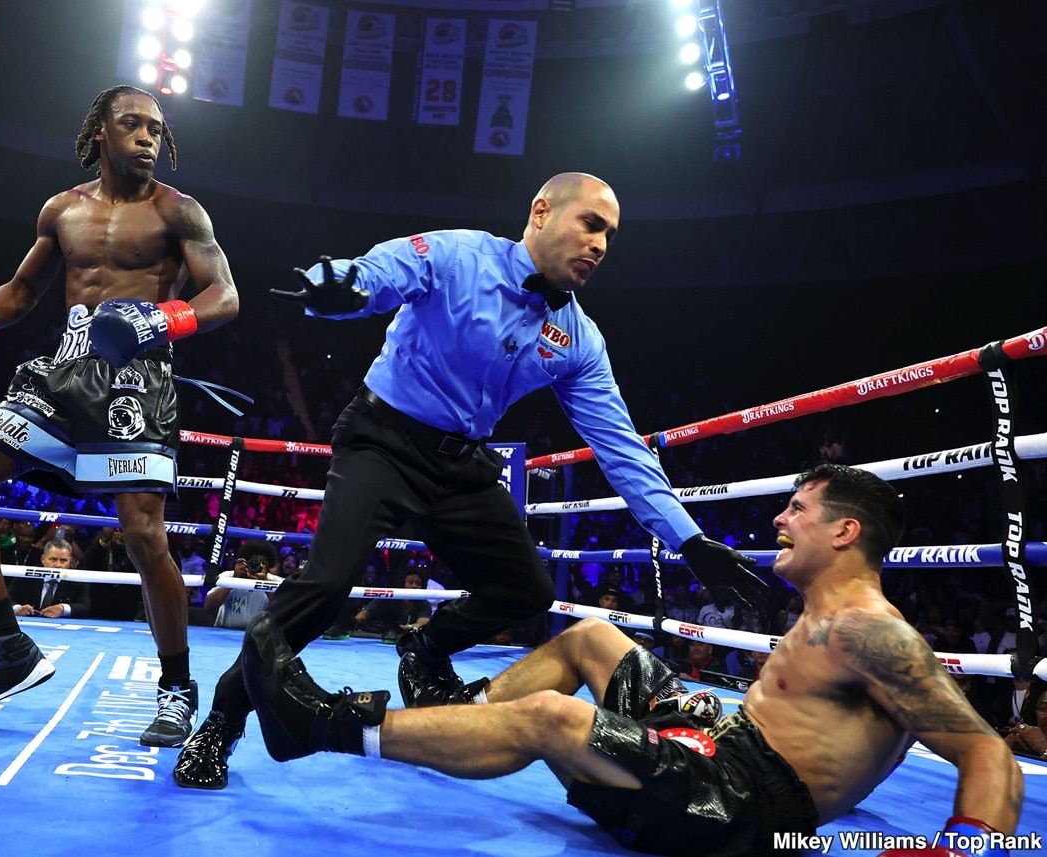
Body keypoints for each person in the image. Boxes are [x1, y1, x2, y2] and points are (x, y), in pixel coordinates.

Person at [173, 171, 766, 788]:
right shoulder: (461, 255)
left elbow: (617, 443)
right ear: (541, 212)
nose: (600, 246)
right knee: (325, 587)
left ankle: (425, 652)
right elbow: (383, 271)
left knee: (526, 590)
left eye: (611, 236)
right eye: (590, 224)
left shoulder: (580, 339)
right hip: (383, 441)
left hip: (461, 463)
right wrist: (342, 287)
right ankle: (222, 721)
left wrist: (688, 538)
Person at [242, 464, 1023, 856]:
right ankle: (465, 721)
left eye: (798, 510)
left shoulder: (871, 632)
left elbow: (986, 747)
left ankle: (322, 725)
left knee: (553, 717)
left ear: (845, 532)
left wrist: (968, 845)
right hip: (721, 743)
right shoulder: (826, 615)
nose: (781, 520)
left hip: (743, 804)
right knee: (593, 637)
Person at [0, 84, 239, 746]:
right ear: (100, 135)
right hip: (63, 373)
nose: (148, 137)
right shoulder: (63, 209)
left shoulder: (179, 211)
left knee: (144, 536)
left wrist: (160, 319)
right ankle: (7, 648)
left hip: (136, 380)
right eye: (133, 125)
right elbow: (24, 290)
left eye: (156, 128)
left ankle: (176, 687)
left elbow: (224, 295)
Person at [6, 538, 92, 619]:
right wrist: (17, 608)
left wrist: (63, 609)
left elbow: (85, 608)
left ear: (70, 561)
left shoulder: (77, 579)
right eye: (53, 559)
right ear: (43, 559)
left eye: (63, 560)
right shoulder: (27, 575)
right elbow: (6, 599)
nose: (58, 565)